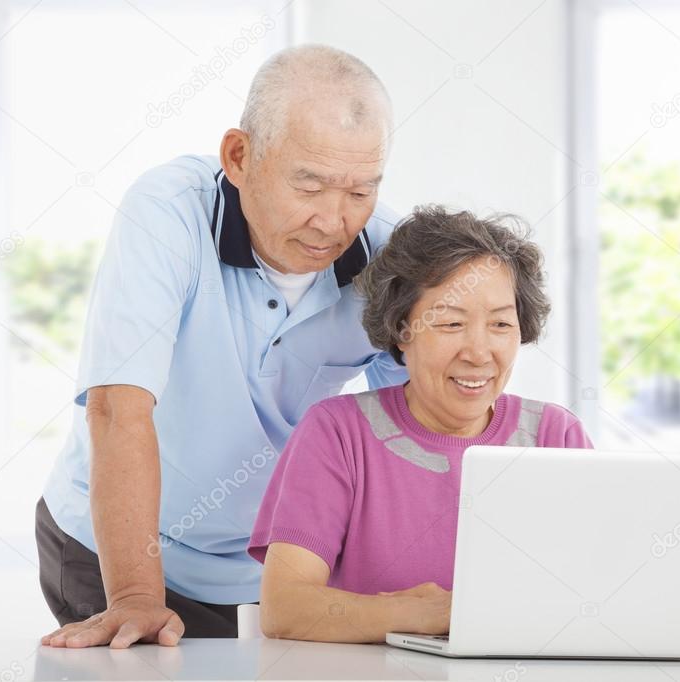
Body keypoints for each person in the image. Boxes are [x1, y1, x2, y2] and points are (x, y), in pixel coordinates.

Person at [37, 44, 407, 649]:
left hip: (271, 566)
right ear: (240, 156)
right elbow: (118, 407)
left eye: (360, 191)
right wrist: (134, 597)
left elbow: (407, 439)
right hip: (112, 548)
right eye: (309, 186)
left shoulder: (391, 255)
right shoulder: (169, 212)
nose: (333, 222)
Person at [248, 205, 594, 642]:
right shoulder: (338, 433)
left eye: (501, 324)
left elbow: (597, 596)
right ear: (400, 330)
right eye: (451, 323)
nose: (479, 352)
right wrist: (421, 614)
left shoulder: (555, 436)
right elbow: (286, 609)